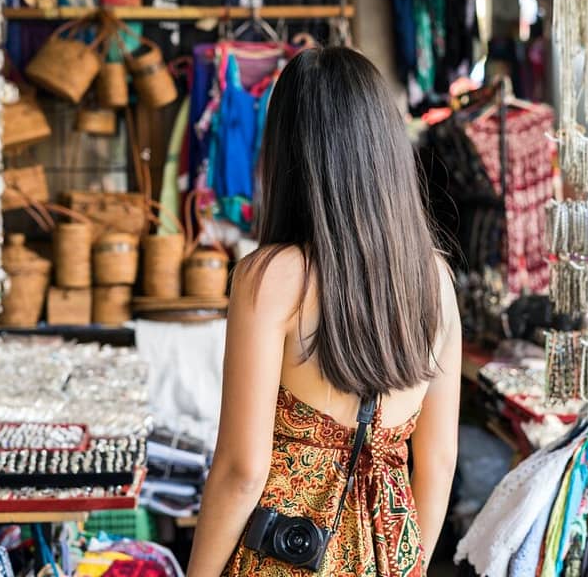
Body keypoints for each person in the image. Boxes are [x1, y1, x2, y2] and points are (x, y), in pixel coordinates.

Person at [186, 47, 462, 577]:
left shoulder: (269, 278)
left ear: (290, 151)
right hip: (393, 555)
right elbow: (438, 460)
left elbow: (243, 470)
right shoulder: (437, 282)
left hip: (286, 559)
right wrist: (408, 562)